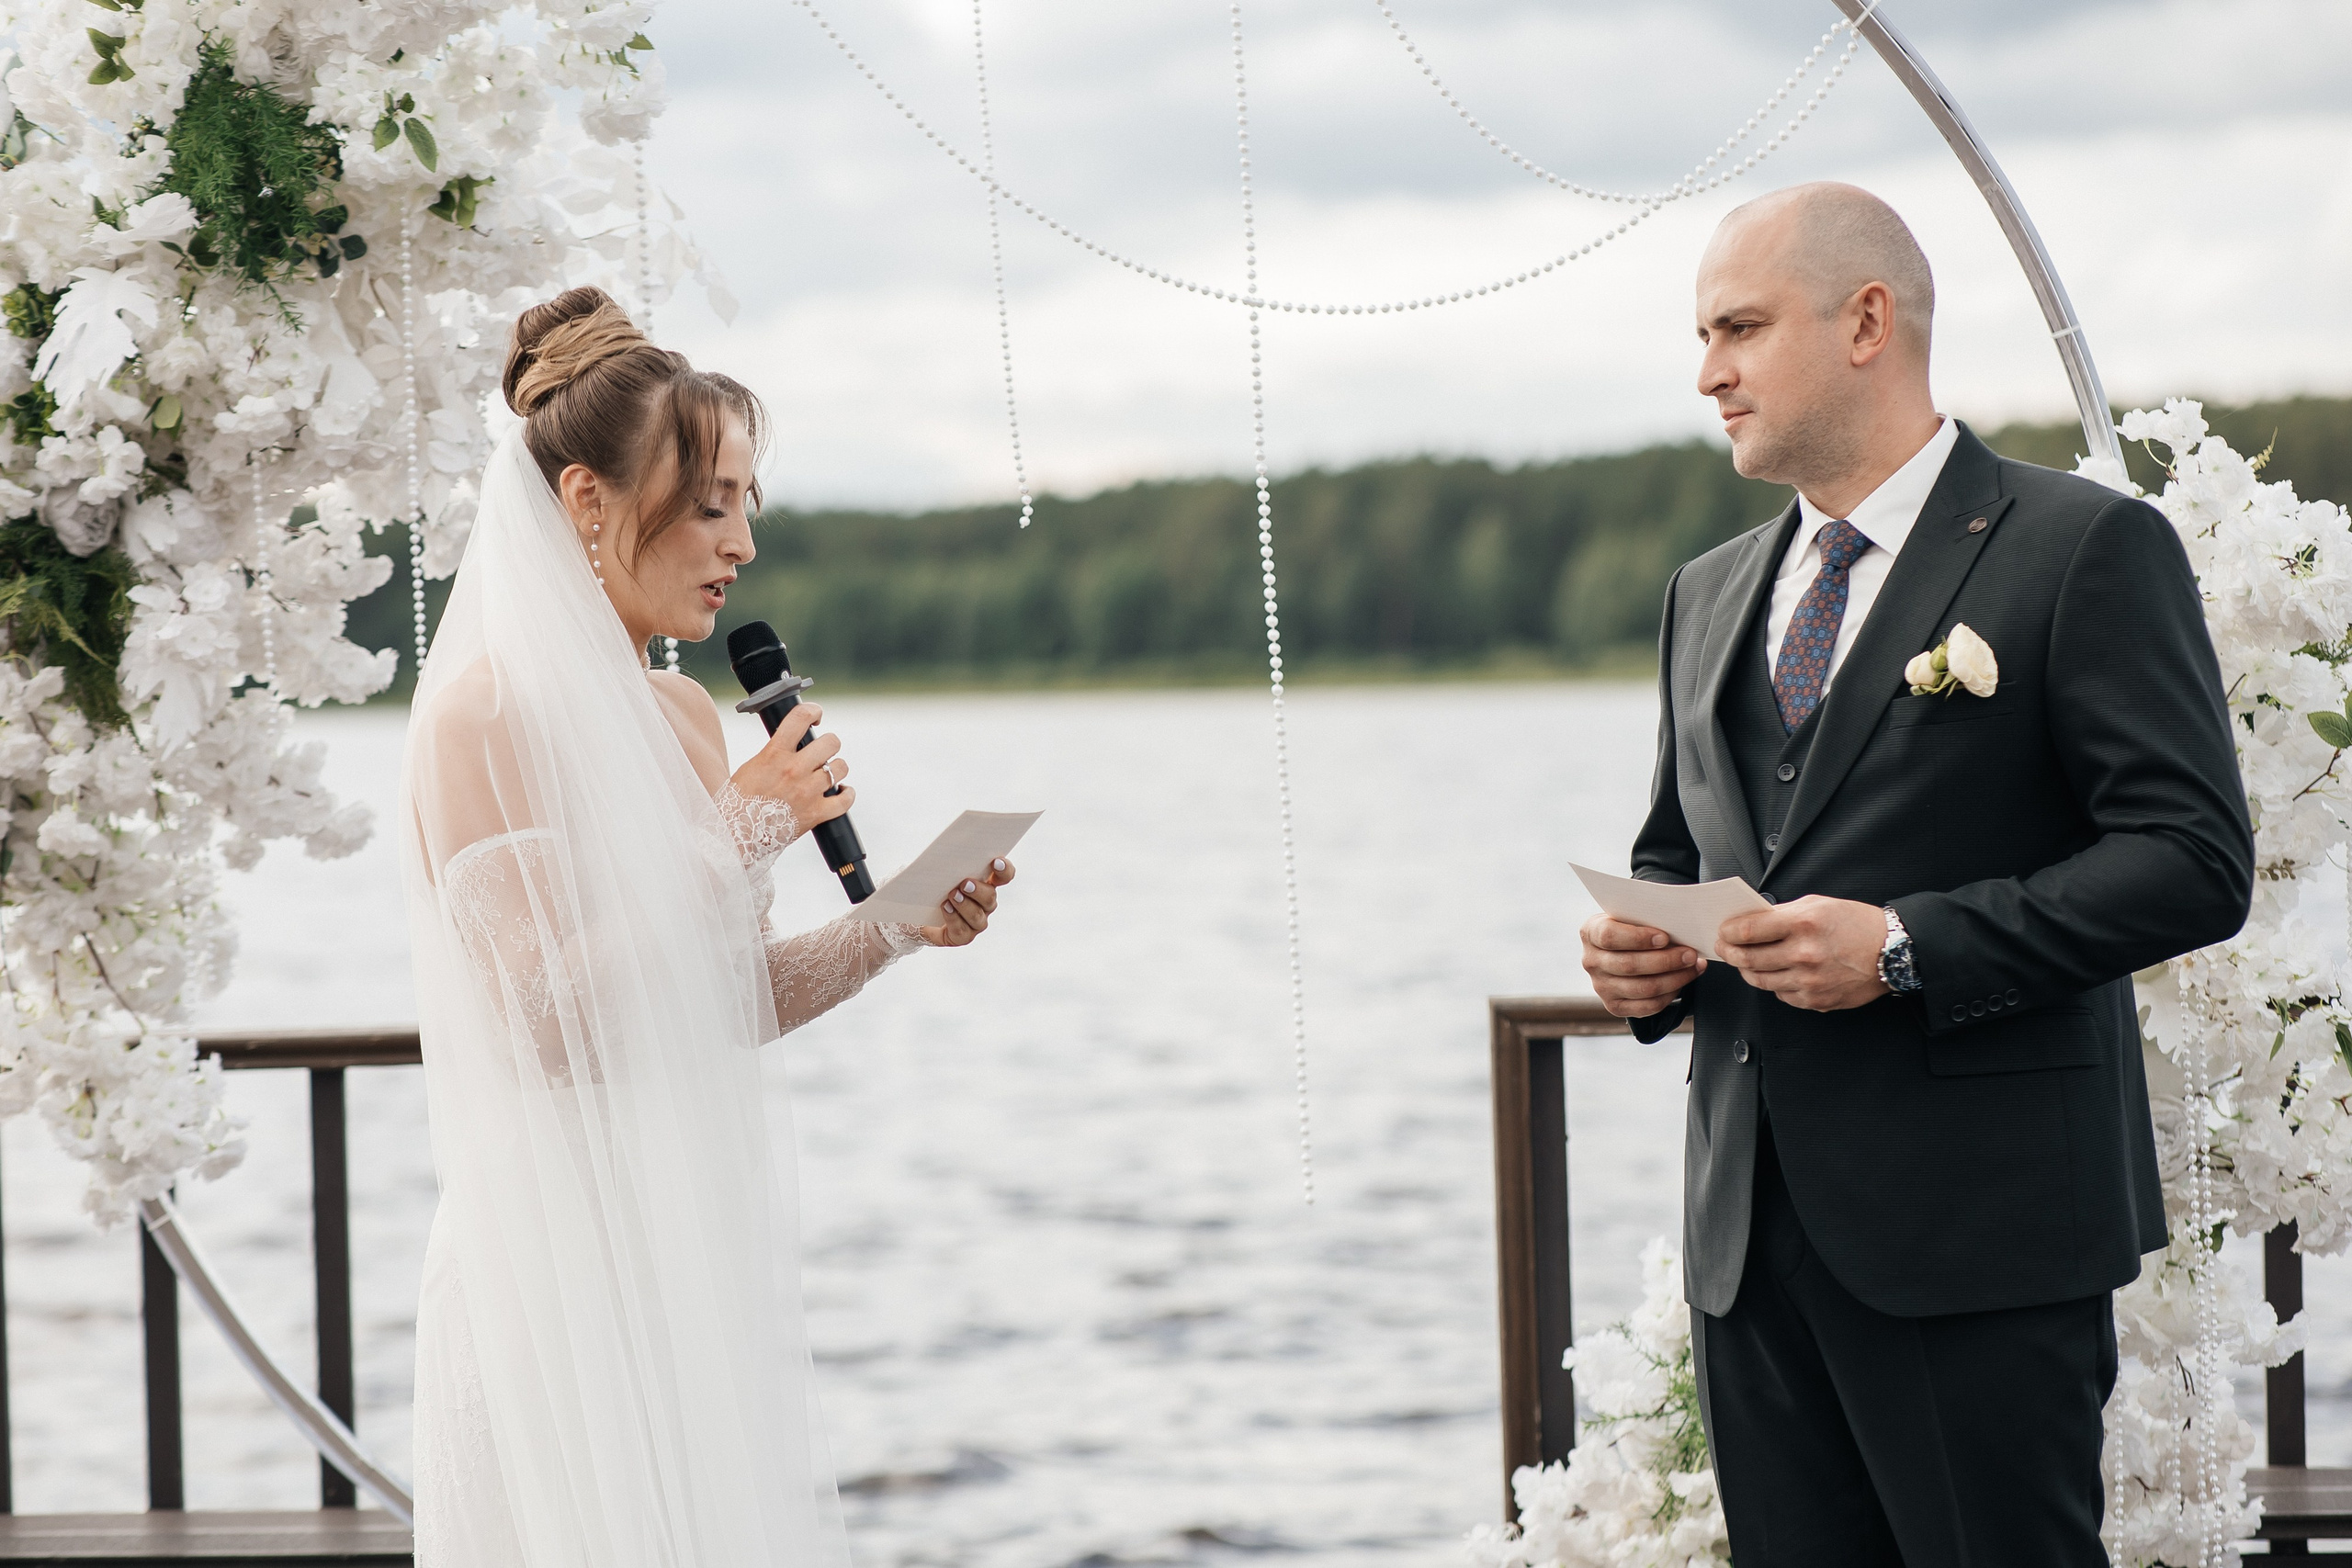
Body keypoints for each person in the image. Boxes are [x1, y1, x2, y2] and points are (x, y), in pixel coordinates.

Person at [1577, 184, 2253, 1565]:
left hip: (1982, 1238)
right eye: (1703, 337)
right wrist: (1642, 963)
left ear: (1868, 321)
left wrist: (1903, 947)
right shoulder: (1706, 593)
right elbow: (1678, 855)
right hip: (1746, 1244)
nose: (1708, 373)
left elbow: (2192, 861)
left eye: (1740, 329)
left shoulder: (2081, 547)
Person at [400, 286, 1015, 1566]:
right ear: (588, 501)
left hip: (680, 1259)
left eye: (749, 506)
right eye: (711, 504)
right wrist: (743, 825)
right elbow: (545, 1023)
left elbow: (721, 1000)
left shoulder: (687, 719)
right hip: (546, 1274)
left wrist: (898, 921)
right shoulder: (484, 716)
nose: (740, 544)